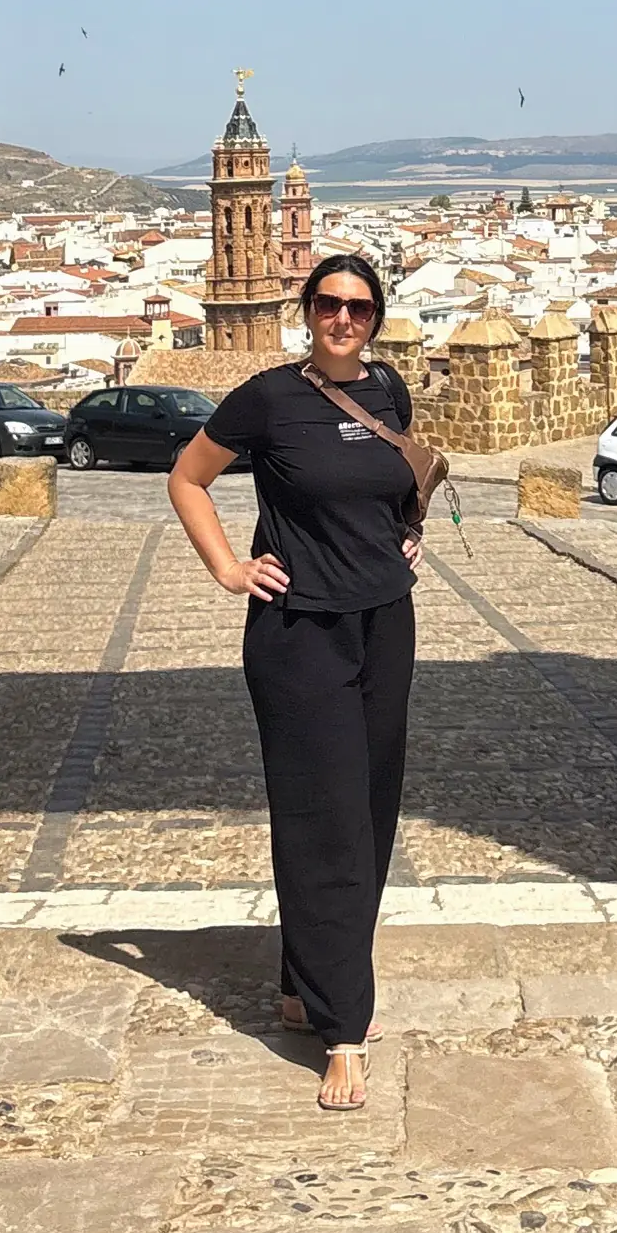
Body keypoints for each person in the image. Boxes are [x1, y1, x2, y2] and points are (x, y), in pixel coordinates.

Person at [169, 252, 421, 1111]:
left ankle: (302, 983)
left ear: (376, 317)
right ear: (306, 310)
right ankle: (343, 1030)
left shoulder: (389, 391)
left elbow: (395, 486)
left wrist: (409, 532)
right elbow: (188, 478)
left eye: (359, 306)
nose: (343, 318)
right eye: (328, 304)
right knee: (326, 817)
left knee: (371, 811)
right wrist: (228, 569)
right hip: (299, 632)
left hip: (385, 623)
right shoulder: (268, 398)